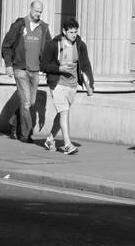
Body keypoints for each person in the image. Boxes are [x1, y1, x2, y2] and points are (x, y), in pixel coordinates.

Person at [0, 0, 53, 143]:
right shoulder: (19, 24)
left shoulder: (44, 28)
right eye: (36, 11)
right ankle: (25, 134)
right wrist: (8, 65)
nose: (38, 14)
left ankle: (13, 122)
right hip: (20, 68)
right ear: (30, 9)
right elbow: (6, 45)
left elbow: (49, 49)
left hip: (35, 71)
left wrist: (49, 67)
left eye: (40, 11)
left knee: (31, 102)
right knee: (27, 102)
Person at [40, 17, 94, 155]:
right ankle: (68, 144)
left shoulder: (80, 45)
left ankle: (50, 139)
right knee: (64, 113)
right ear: (64, 31)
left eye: (75, 32)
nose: (74, 35)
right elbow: (44, 65)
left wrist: (90, 84)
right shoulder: (53, 45)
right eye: (71, 32)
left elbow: (86, 65)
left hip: (72, 85)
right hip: (57, 83)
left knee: (61, 113)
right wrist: (59, 69)